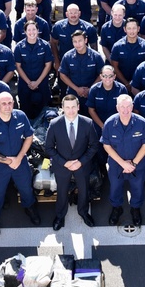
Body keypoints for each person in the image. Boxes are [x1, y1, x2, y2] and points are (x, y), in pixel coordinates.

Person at [0, 92, 41, 236]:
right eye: (4, 103)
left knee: (26, 188)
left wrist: (20, 157)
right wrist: (9, 161)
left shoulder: (20, 116)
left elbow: (29, 136)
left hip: (20, 162)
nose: (7, 106)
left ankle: (29, 207)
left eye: (10, 103)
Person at [45, 95, 100, 229]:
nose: (70, 110)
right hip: (62, 166)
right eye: (67, 107)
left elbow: (94, 146)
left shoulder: (87, 123)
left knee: (84, 190)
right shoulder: (54, 124)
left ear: (78, 107)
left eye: (73, 107)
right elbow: (49, 148)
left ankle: (83, 212)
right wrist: (64, 163)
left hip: (82, 166)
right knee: (62, 191)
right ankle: (60, 215)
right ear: (62, 108)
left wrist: (81, 162)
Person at [101, 94, 145, 227]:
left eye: (128, 106)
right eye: (122, 107)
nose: (125, 110)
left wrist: (133, 163)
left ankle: (135, 208)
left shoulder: (142, 123)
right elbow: (106, 145)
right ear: (117, 107)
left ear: (132, 107)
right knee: (115, 188)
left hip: (137, 165)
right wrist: (122, 163)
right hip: (116, 165)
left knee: (138, 188)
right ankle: (117, 208)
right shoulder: (109, 123)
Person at [58, 30, 105, 112]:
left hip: (91, 94)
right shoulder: (67, 56)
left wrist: (90, 89)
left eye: (80, 41)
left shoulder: (96, 56)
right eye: (75, 41)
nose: (78, 44)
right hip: (73, 94)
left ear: (85, 40)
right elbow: (62, 74)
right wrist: (76, 89)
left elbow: (101, 74)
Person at [15, 20, 54, 116]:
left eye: (34, 29)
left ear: (38, 30)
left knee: (43, 110)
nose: (31, 32)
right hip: (25, 84)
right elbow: (18, 66)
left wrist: (37, 82)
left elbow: (48, 65)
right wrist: (29, 82)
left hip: (42, 83)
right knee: (25, 109)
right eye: (29, 30)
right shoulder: (19, 47)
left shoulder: (45, 46)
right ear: (25, 32)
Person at [110, 18, 145, 91]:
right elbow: (115, 67)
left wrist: (134, 83)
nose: (132, 31)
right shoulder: (117, 46)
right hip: (122, 85)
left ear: (138, 29)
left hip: (141, 85)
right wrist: (126, 83)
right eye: (129, 28)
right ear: (125, 29)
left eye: (134, 28)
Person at [86, 65, 128, 131]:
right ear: (100, 76)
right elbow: (91, 110)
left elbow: (125, 108)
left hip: (117, 126)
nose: (107, 79)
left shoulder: (121, 89)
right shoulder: (94, 89)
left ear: (114, 76)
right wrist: (102, 126)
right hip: (98, 126)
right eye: (104, 76)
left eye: (110, 76)